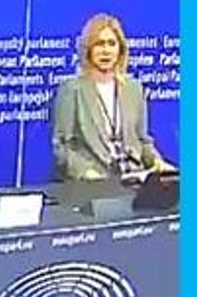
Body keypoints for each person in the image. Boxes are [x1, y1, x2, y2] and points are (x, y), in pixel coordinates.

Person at [53, 13, 174, 182]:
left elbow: (142, 141)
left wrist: (158, 163)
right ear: (88, 49)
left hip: (133, 177)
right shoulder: (72, 90)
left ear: (120, 49)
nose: (106, 51)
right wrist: (86, 173)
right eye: (99, 44)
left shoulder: (133, 89)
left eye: (111, 43)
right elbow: (62, 147)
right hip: (93, 182)